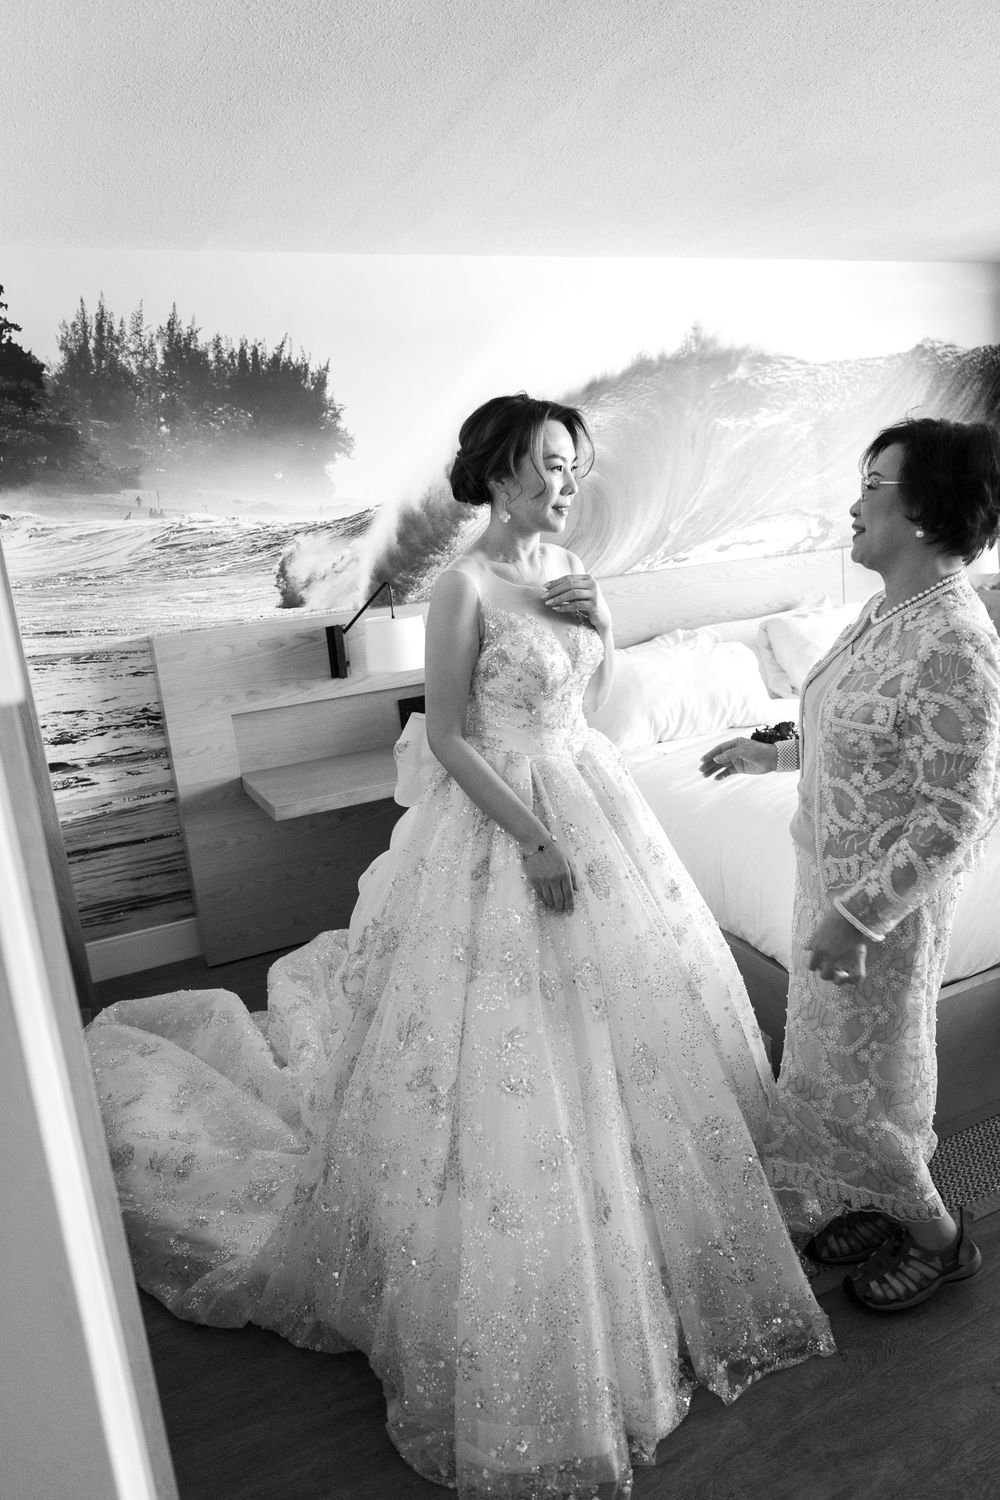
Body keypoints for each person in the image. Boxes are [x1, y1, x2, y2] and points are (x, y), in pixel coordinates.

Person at [87, 393, 832, 1498]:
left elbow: (598, 701)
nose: (563, 481)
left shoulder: (572, 567)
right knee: (503, 1049)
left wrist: (608, 626)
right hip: (504, 824)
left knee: (637, 1028)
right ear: (494, 469)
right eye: (543, 462)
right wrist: (531, 839)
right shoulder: (461, 587)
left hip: (597, 797)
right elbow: (443, 735)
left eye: (573, 464)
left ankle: (647, 1244)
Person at [701, 416, 1000, 1314]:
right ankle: (871, 1202)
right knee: (833, 1071)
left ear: (923, 507)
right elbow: (858, 738)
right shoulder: (885, 612)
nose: (853, 503)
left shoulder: (956, 642)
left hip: (882, 913)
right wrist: (773, 758)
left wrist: (862, 913)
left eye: (872, 484)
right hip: (828, 888)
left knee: (874, 1085)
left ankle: (942, 1241)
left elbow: (958, 814)